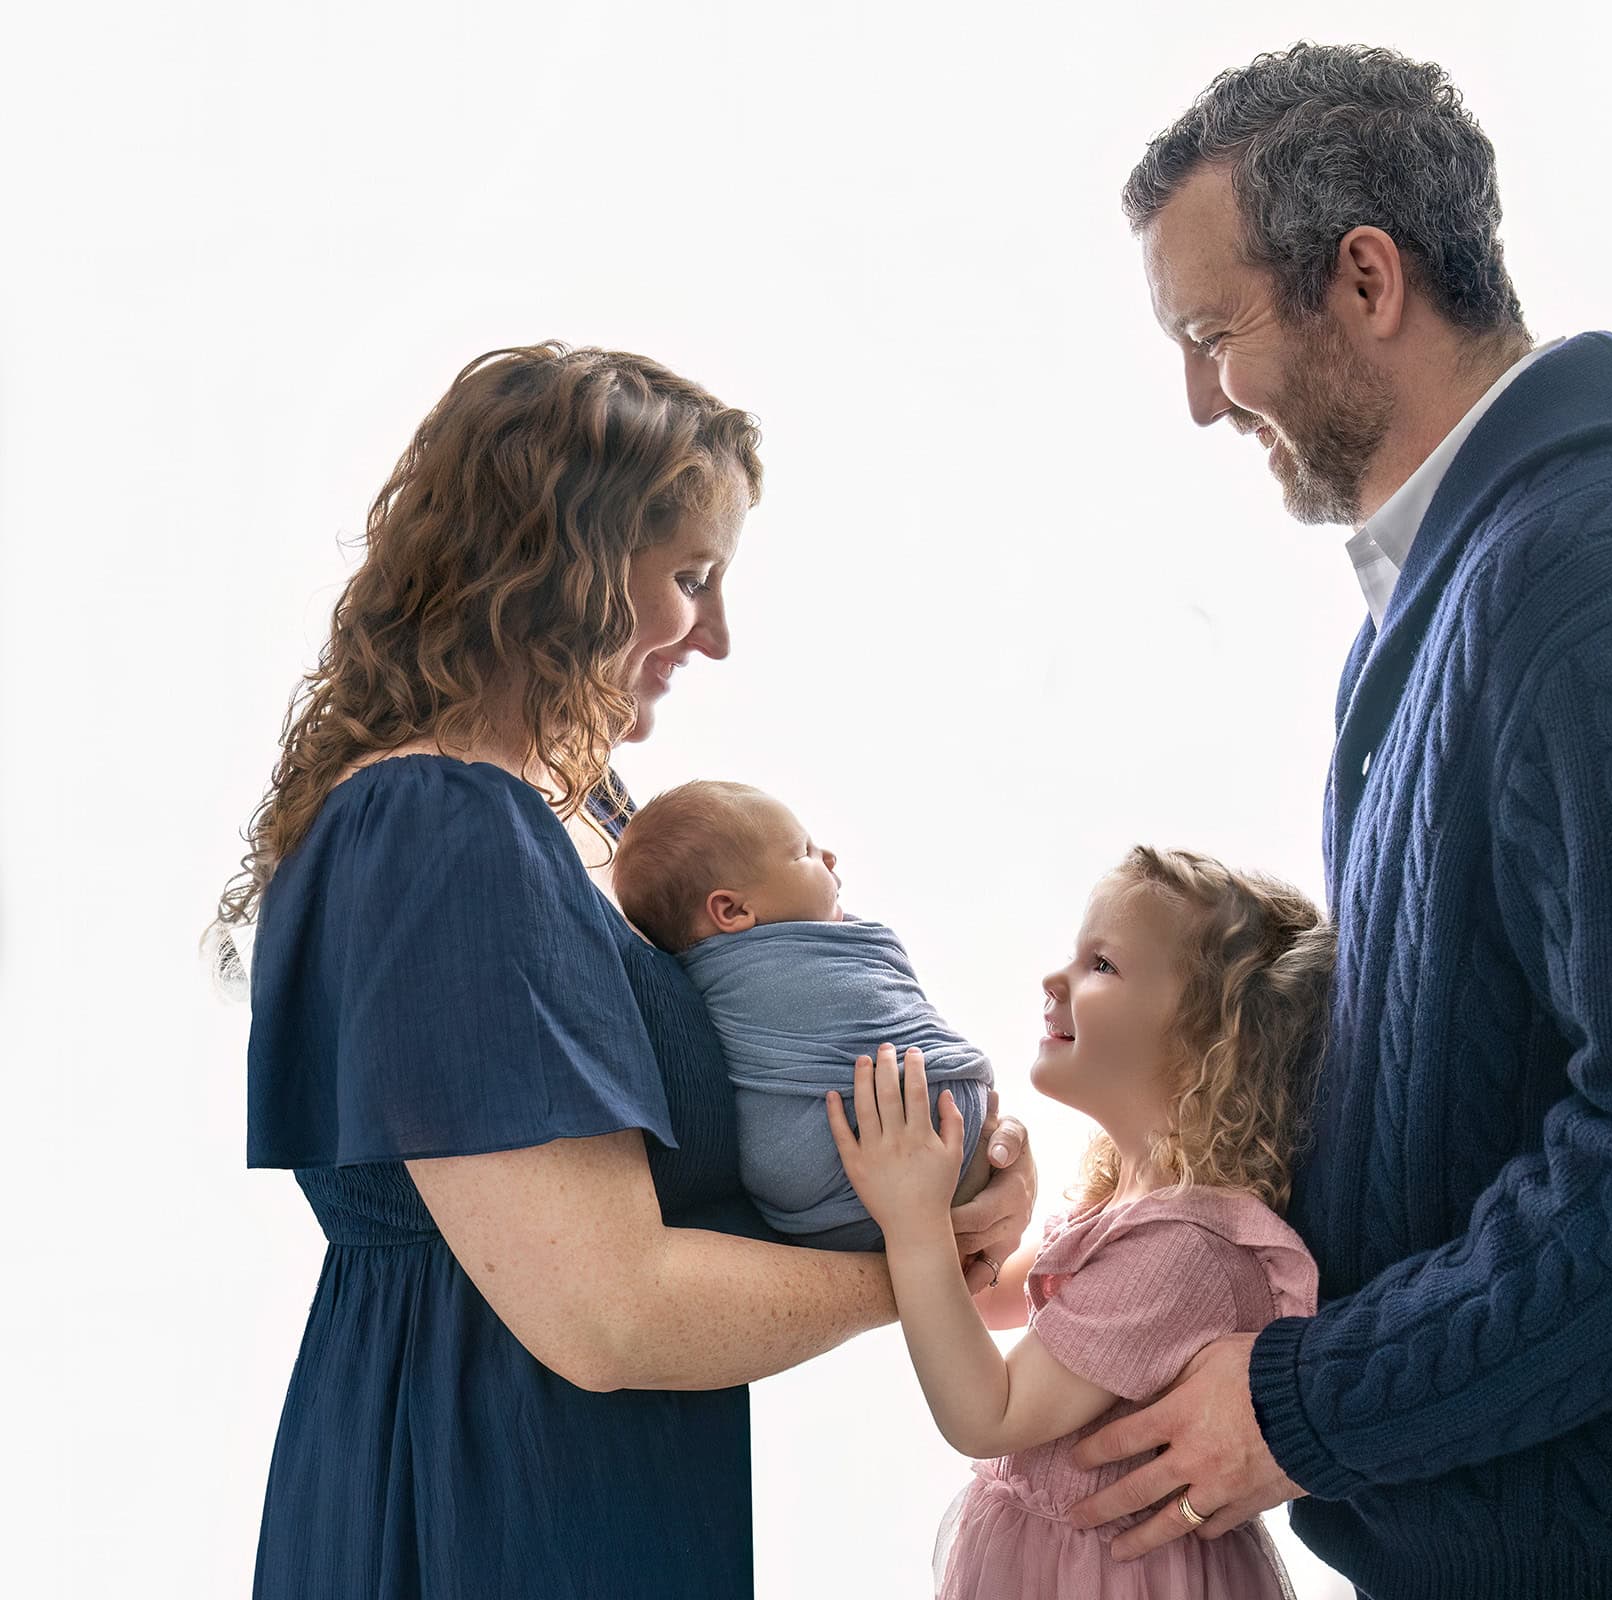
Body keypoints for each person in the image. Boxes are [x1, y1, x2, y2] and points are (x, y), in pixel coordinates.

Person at [1067, 43, 1612, 1600]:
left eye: (1210, 332)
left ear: (1365, 278)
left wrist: (1312, 1407)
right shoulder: (1446, 600)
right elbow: (1455, 1082)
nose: (1195, 401)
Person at [210, 342, 1036, 1599]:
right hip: (485, 1499)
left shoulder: (588, 816)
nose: (713, 633)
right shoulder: (441, 832)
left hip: (596, 1482)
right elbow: (611, 1312)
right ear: (561, 564)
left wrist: (960, 1161)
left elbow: (716, 1158)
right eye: (689, 578)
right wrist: (921, 1265)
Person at [830, 847, 1335, 1599]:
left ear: (1210, 1042)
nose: (1055, 980)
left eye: (1101, 964)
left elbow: (989, 1413)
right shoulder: (1132, 1203)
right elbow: (986, 1295)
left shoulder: (1182, 1252)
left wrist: (913, 1222)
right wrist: (957, 1191)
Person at [614, 778, 996, 1247]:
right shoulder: (753, 973)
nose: (829, 857)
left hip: (826, 1192)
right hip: (860, 1173)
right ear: (732, 910)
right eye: (804, 852)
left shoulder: (727, 964)